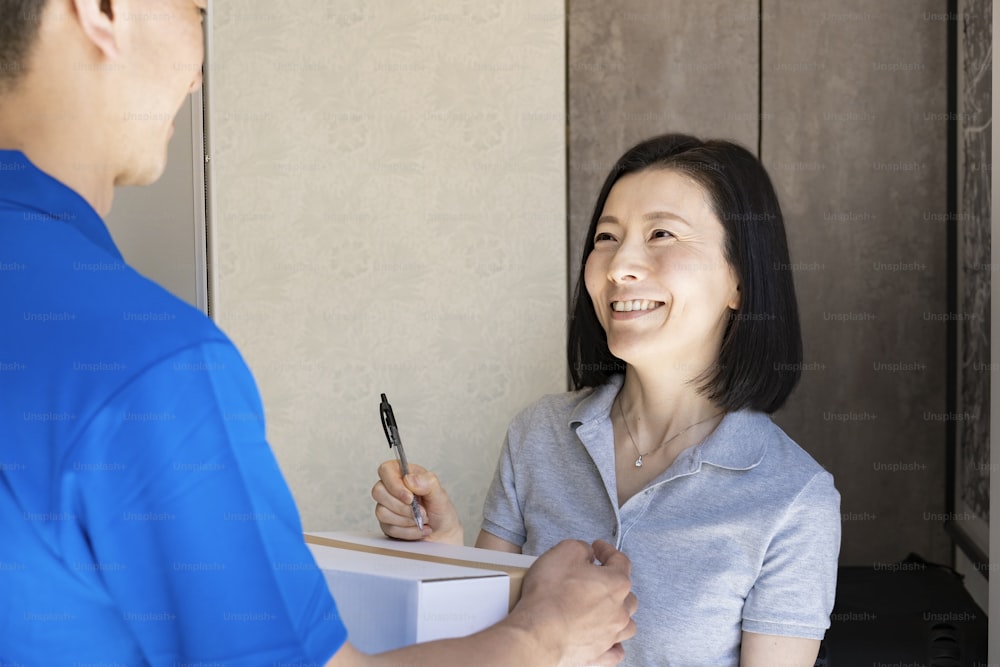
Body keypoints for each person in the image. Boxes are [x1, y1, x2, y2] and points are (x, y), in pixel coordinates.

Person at [0, 1, 637, 665]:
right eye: (195, 10)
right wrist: (545, 632)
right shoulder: (150, 364)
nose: (198, 76)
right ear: (106, 9)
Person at [374, 133, 842, 666]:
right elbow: (487, 640)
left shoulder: (796, 499)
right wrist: (445, 550)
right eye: (606, 237)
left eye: (661, 233)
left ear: (740, 278)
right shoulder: (538, 434)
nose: (620, 267)